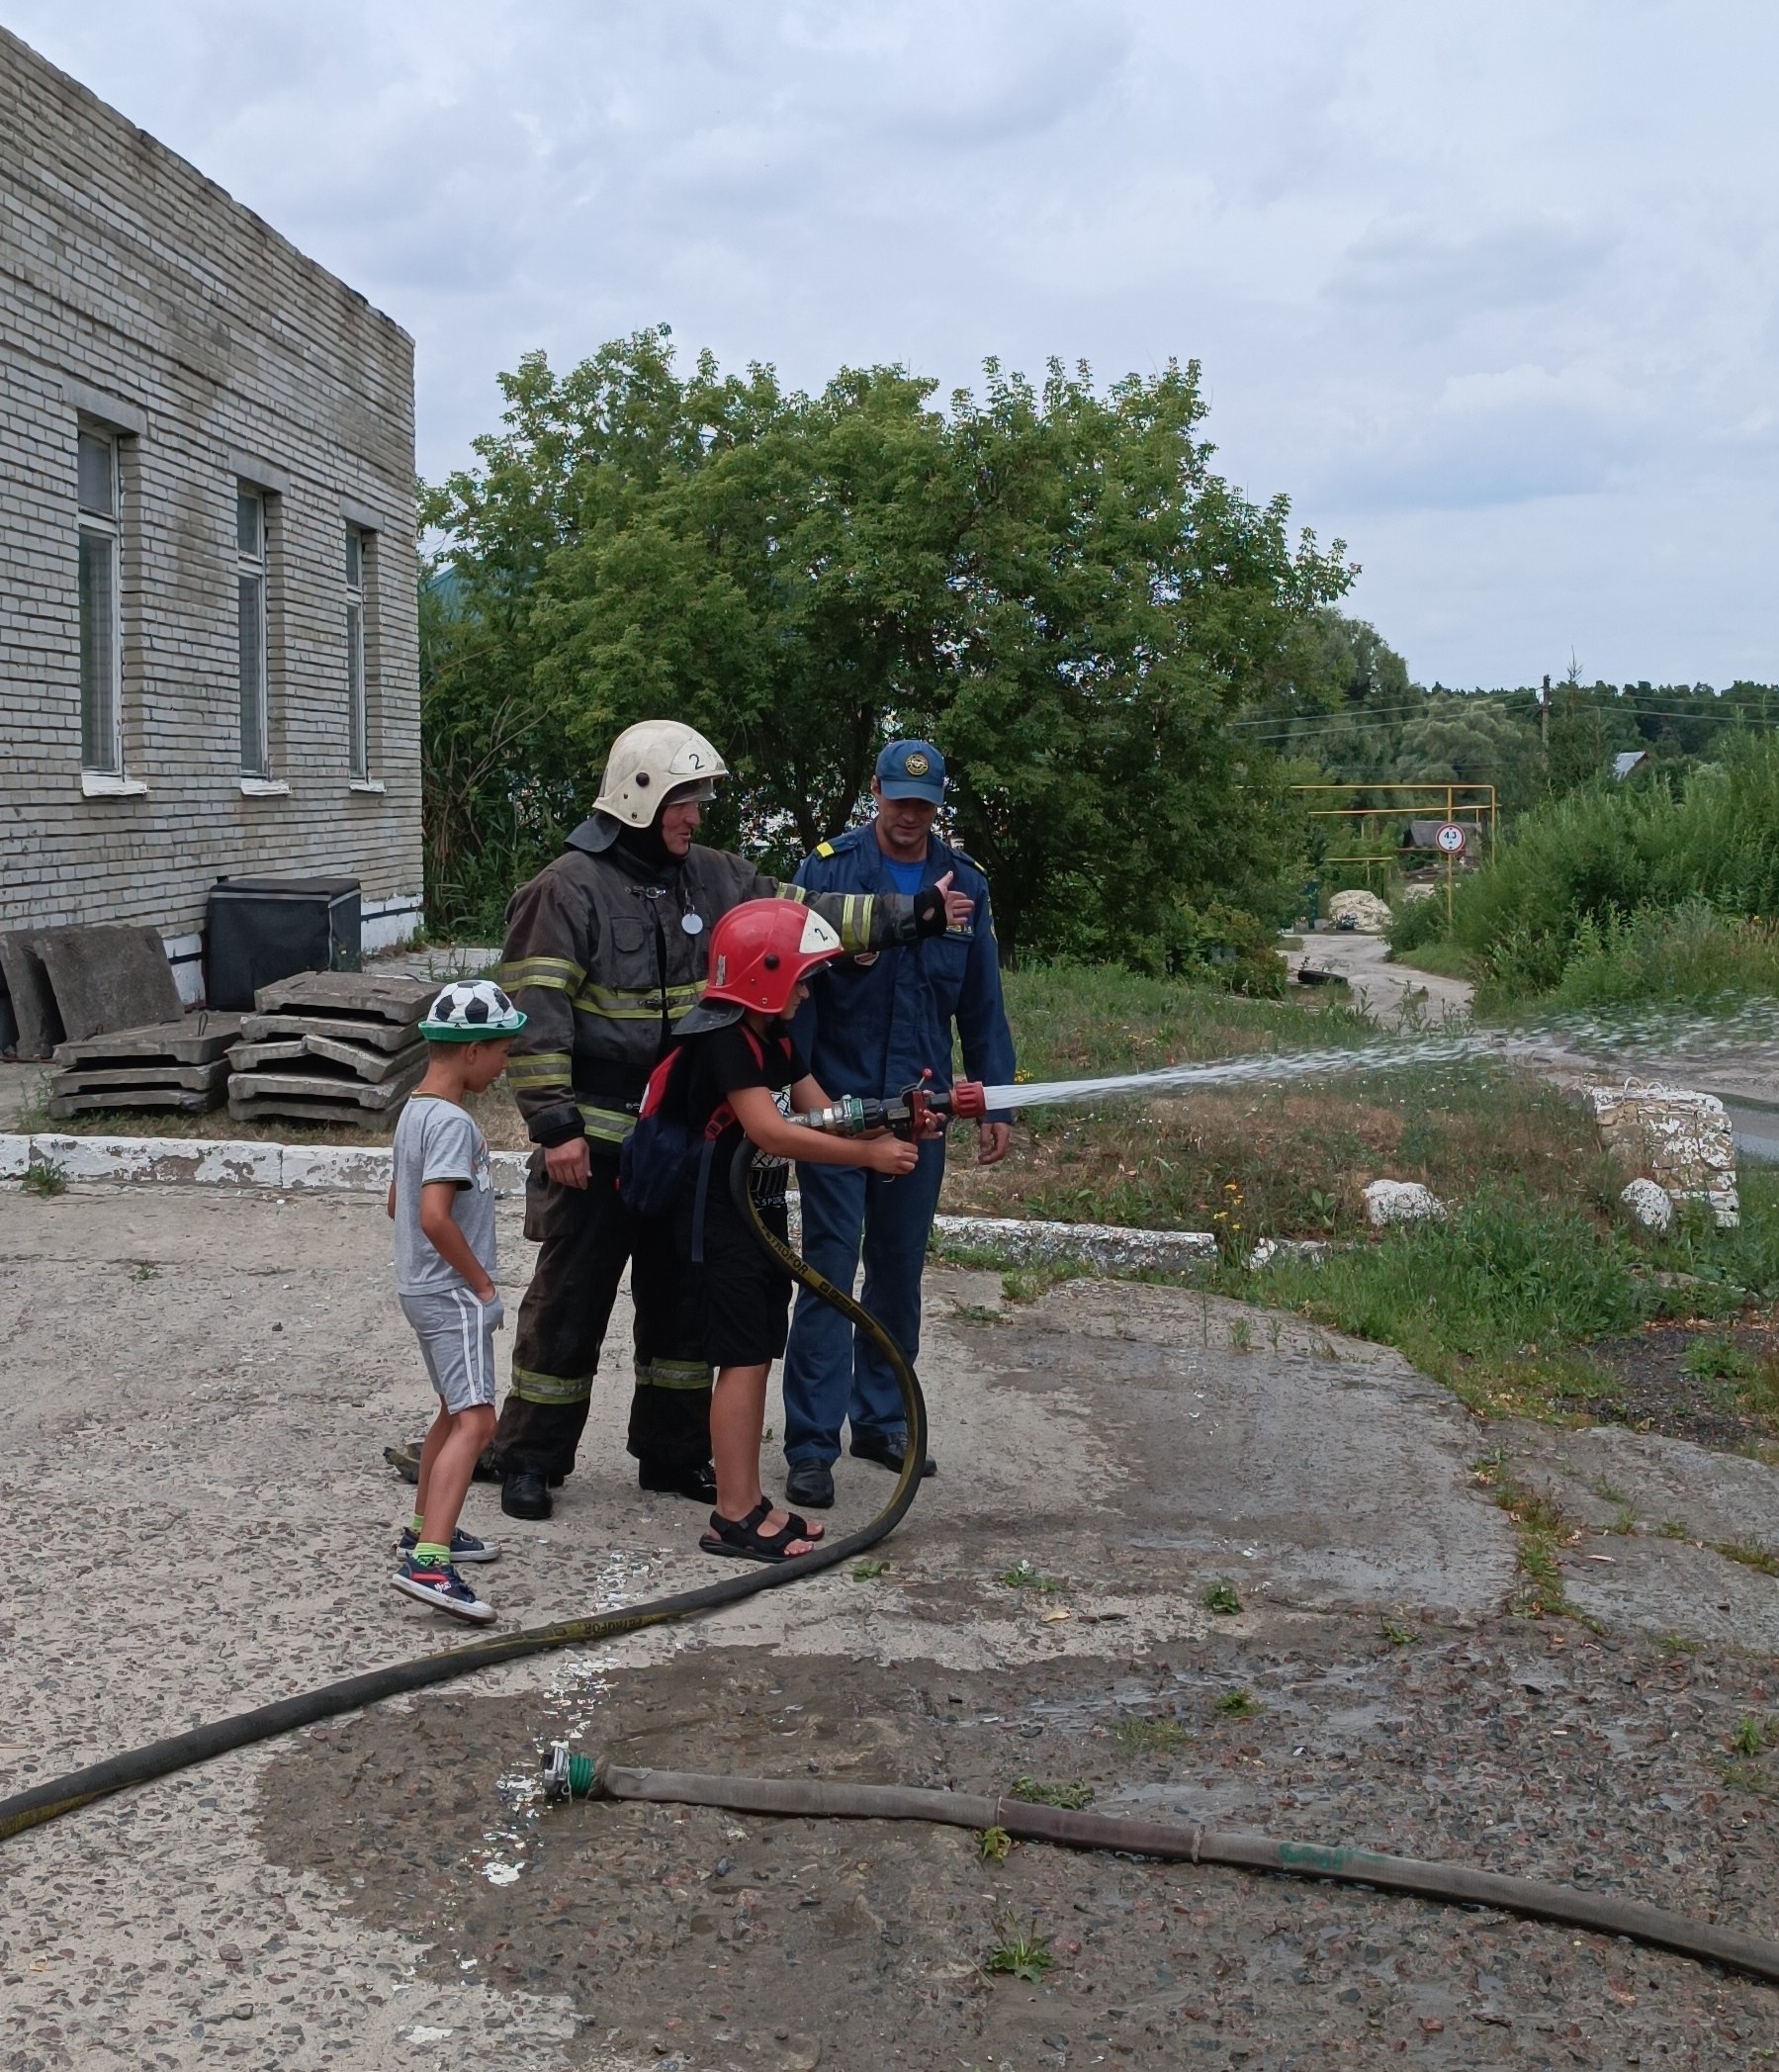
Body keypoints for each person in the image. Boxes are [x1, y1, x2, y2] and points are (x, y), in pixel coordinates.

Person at [483, 718, 973, 1523]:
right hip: (597, 1144)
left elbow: (808, 918)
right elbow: (535, 1017)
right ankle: (532, 1455)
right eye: (683, 801)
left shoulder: (716, 878)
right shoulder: (565, 889)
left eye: (699, 801)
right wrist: (554, 1126)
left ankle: (673, 1455)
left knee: (682, 1306)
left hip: (691, 1144)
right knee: (571, 1303)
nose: (695, 817)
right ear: (638, 796)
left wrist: (908, 917)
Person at [641, 900, 922, 1562]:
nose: (805, 988)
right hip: (714, 1218)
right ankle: (731, 1514)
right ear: (761, 975)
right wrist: (867, 1156)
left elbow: (818, 1108)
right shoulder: (724, 1037)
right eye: (797, 976)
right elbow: (769, 1132)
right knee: (739, 1357)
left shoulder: (776, 1033)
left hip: (756, 1211)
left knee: (757, 1349)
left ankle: (749, 1498)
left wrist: (893, 1120)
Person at [780, 740, 1017, 1510]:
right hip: (841, 1114)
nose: (909, 816)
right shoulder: (829, 871)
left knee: (897, 1270)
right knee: (826, 1269)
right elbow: (796, 992)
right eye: (896, 800)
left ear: (937, 804)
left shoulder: (967, 886)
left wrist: (995, 1097)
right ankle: (810, 1445)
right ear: (874, 797)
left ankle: (882, 1421)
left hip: (921, 1114)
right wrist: (803, 1090)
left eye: (923, 804)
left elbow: (981, 1003)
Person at [387, 979, 526, 1624]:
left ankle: (424, 1530)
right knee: (477, 1422)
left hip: (420, 1286)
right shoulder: (452, 1122)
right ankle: (428, 1563)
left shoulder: (414, 1109)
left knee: (451, 1407)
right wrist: (482, 1284)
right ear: (471, 1051)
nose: (503, 1066)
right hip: (451, 1292)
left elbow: (398, 1203)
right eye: (501, 1052)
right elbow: (434, 1216)